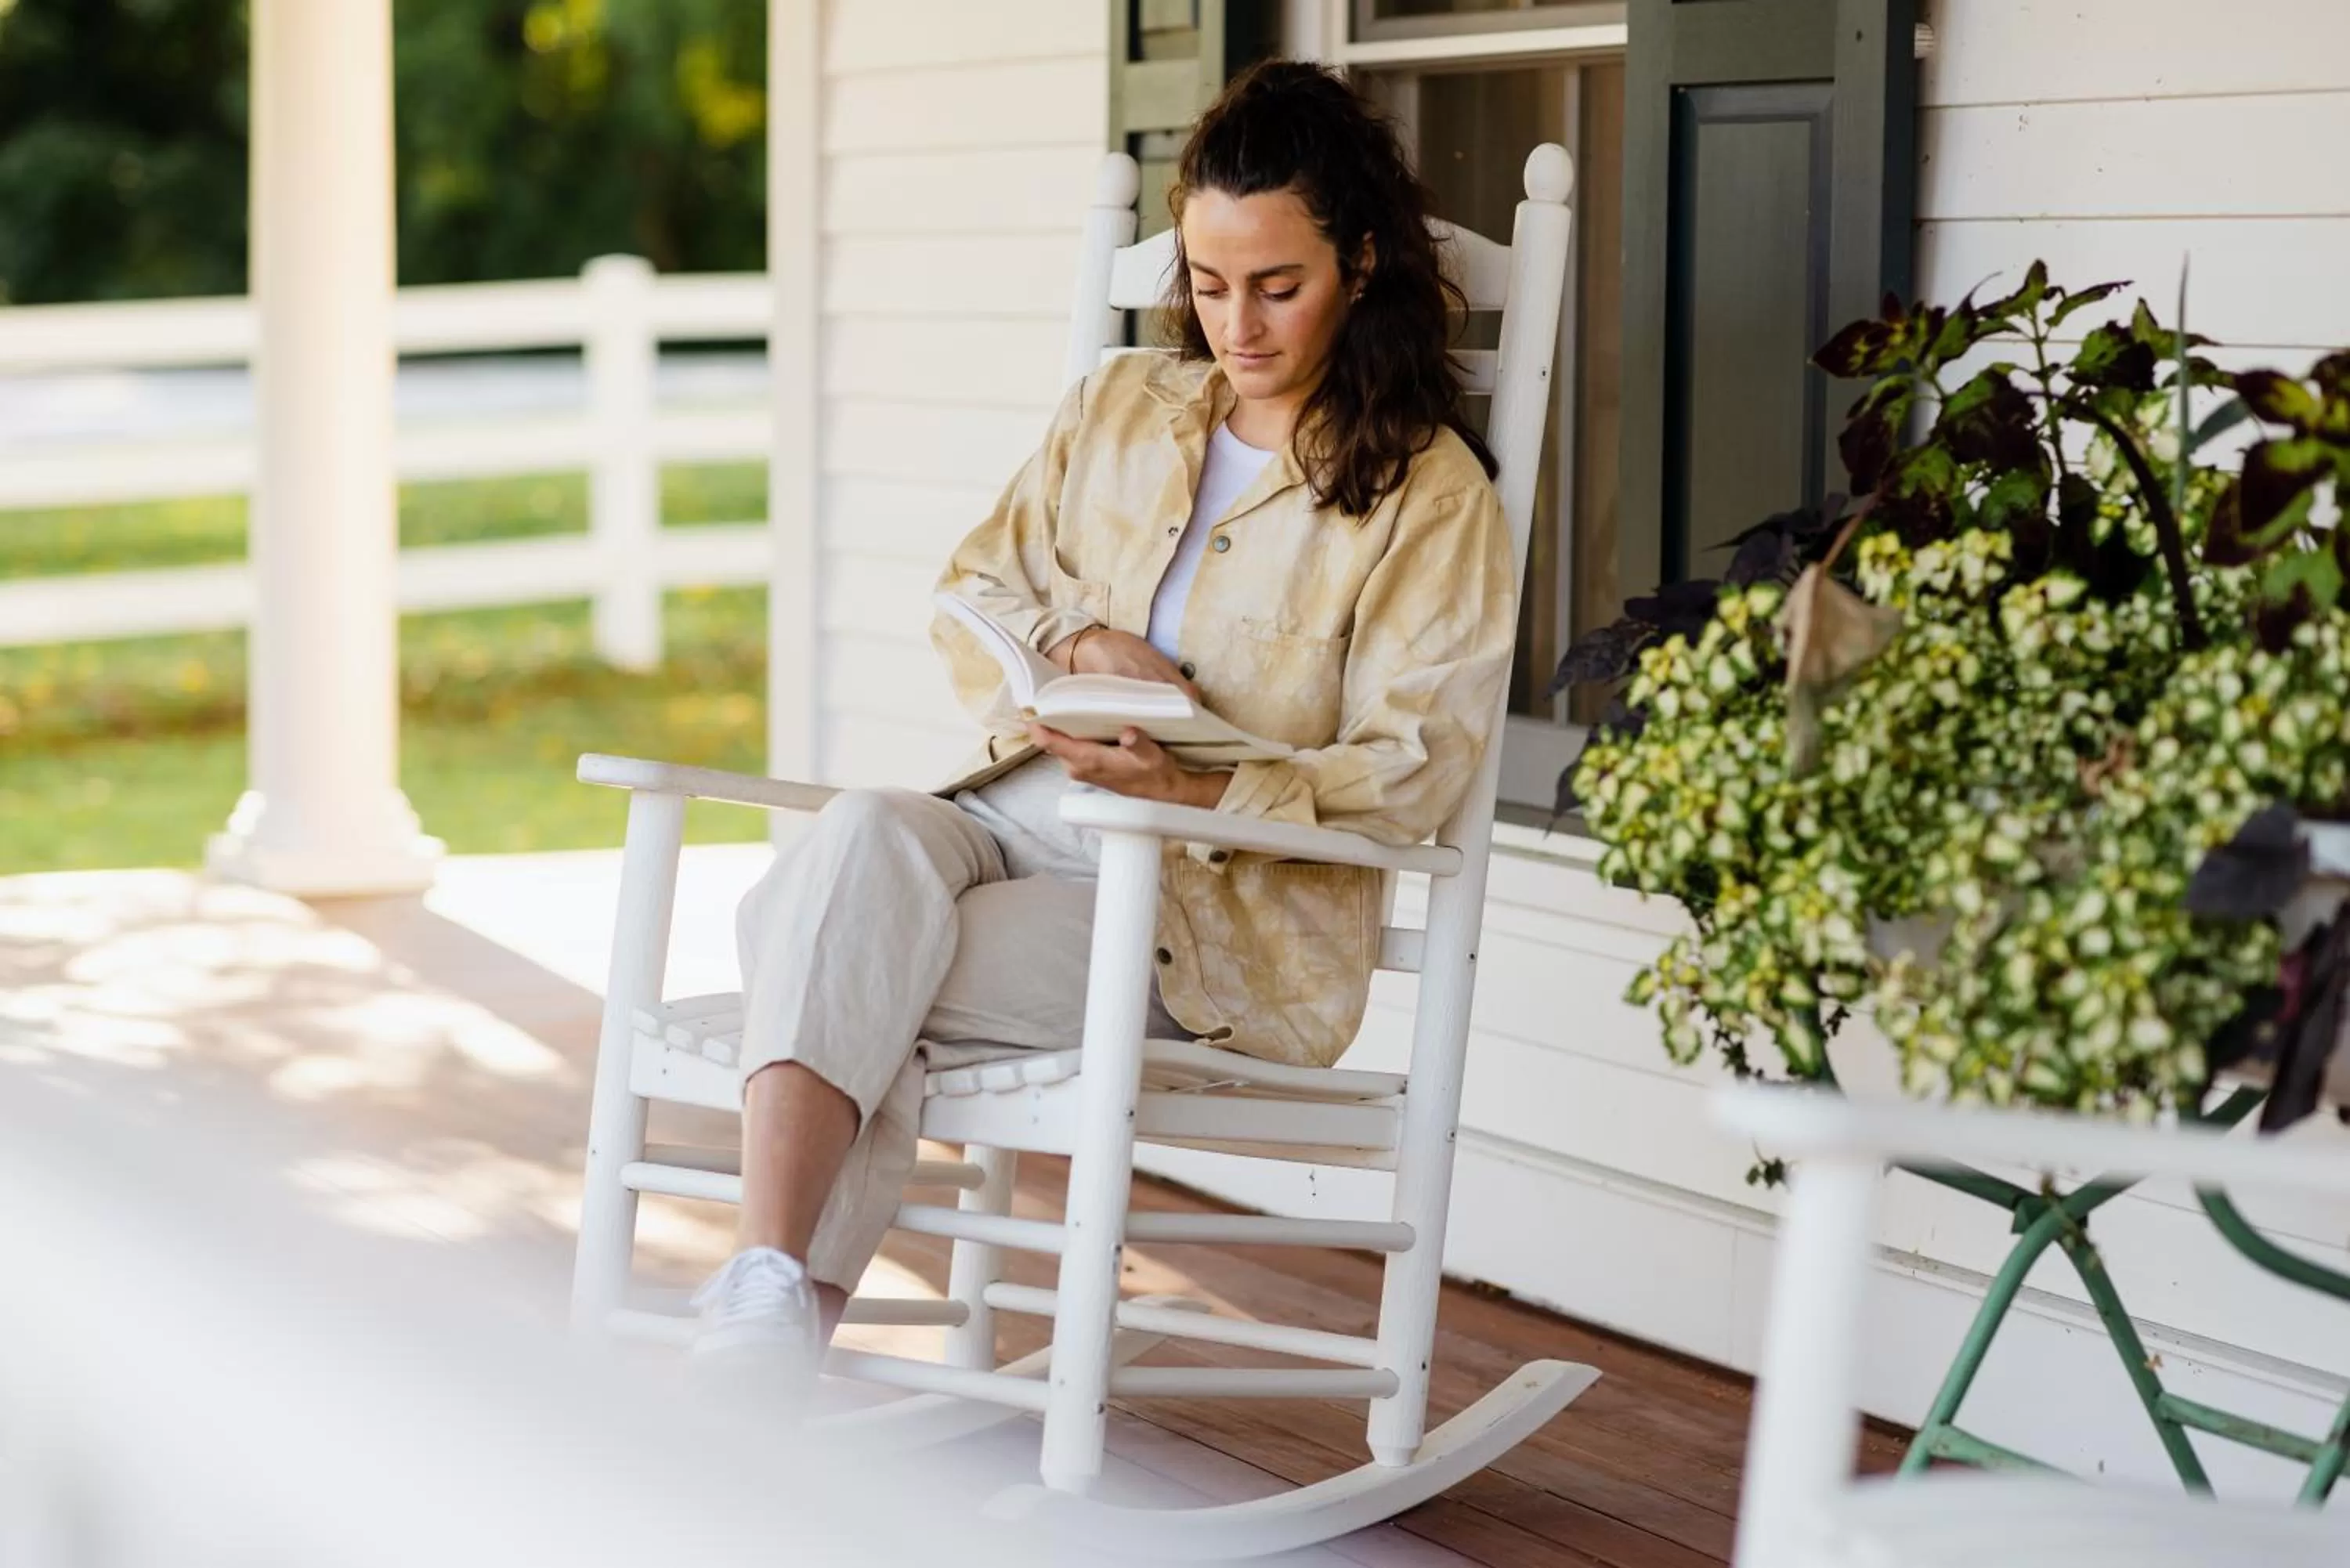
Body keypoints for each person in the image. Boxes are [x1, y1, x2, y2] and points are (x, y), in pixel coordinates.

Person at [689, 60, 1520, 1393]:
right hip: (1019, 806)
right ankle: (772, 1301)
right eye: (1205, 281)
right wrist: (1073, 643)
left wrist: (1190, 792)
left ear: (1360, 265)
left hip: (1207, 904)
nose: (1235, 325)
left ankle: (767, 1317)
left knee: (836, 947)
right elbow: (976, 587)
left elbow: (1408, 774)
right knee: (860, 844)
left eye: (1276, 285)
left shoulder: (1427, 495)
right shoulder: (1121, 407)